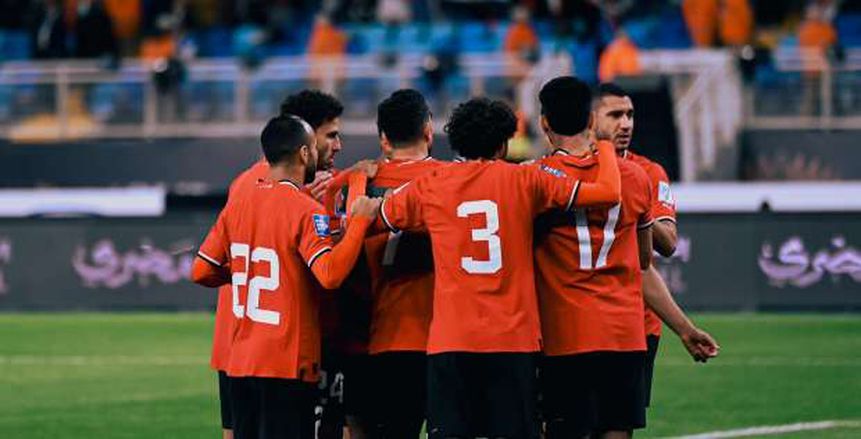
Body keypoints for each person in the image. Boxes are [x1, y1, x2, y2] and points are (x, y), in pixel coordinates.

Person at [378, 95, 622, 438]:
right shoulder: (527, 179)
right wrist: (606, 146)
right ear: (503, 144)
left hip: (452, 340)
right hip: (513, 340)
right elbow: (608, 193)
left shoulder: (432, 183)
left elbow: (375, 216)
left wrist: (359, 180)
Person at [191, 115, 380, 439]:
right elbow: (330, 275)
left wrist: (244, 273)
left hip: (240, 362)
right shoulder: (305, 210)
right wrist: (359, 223)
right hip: (285, 362)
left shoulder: (238, 204)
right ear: (304, 154)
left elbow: (201, 270)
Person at [533, 76, 656, 439]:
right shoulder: (636, 176)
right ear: (590, 120)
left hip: (565, 333)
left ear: (544, 123)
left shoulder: (533, 179)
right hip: (625, 333)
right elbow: (644, 258)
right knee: (616, 430)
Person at [592, 82, 720, 409]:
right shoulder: (571, 170)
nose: (626, 124)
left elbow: (668, 244)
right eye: (615, 115)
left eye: (630, 115)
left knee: (620, 420)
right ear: (591, 119)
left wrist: (639, 205)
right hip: (580, 318)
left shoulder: (649, 172)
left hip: (638, 322)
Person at [280, 89, 372, 439]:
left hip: (335, 336)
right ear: (305, 141)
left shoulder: (335, 185)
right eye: (331, 136)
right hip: (296, 344)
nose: (339, 145)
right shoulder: (275, 195)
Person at [357, 89, 447, 438]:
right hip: (448, 338)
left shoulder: (359, 185)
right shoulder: (454, 180)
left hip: (383, 337)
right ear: (428, 130)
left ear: (383, 139)